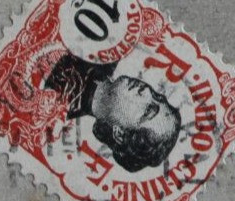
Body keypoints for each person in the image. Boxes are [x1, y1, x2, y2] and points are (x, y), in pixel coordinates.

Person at [42, 55, 182, 173]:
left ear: (119, 133)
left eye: (148, 110)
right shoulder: (110, 51)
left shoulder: (51, 106)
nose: (146, 91)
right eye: (157, 97)